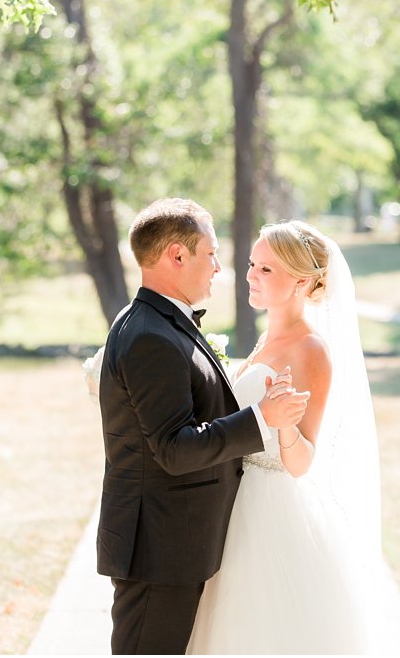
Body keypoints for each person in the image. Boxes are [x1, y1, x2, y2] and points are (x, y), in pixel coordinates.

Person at [97, 198, 310, 655]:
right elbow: (174, 448)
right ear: (177, 255)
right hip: (159, 549)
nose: (218, 267)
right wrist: (262, 418)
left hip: (172, 543)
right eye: (211, 253)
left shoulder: (159, 321)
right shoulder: (152, 335)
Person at [187, 219, 390, 654]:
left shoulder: (310, 350)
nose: (249, 276)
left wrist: (282, 428)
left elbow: (302, 461)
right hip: (231, 499)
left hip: (269, 510)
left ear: (301, 282)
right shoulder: (265, 339)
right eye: (251, 265)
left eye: (266, 270)